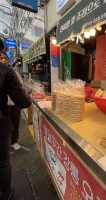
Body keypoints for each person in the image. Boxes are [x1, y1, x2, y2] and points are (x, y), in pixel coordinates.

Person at [0, 38, 31, 199]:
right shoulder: (5, 71)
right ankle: (6, 194)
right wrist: (28, 96)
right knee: (3, 161)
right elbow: (23, 101)